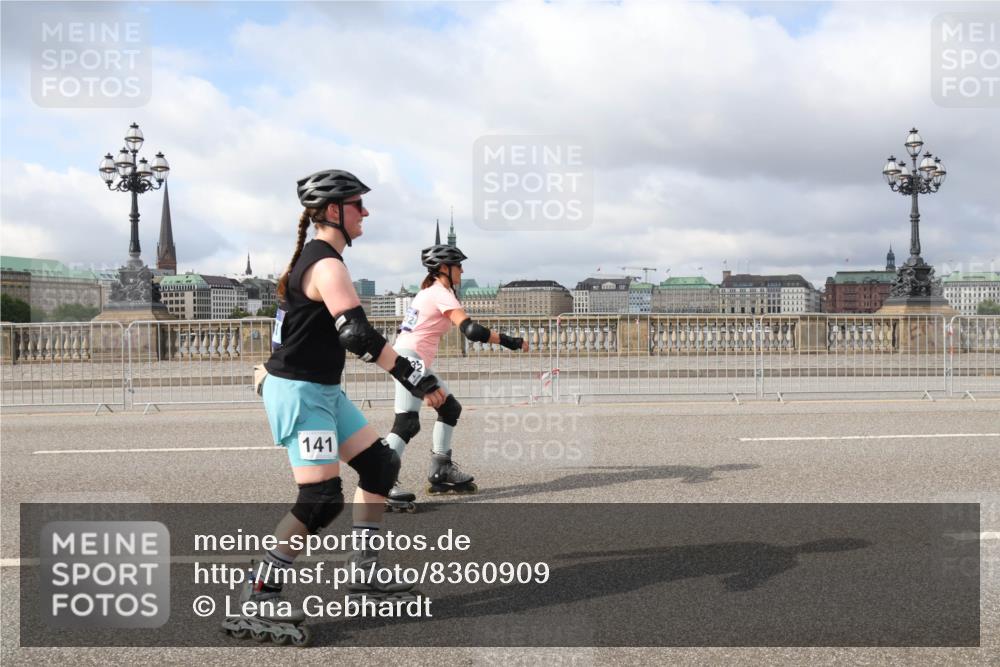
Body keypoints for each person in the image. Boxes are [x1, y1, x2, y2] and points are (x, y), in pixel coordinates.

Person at [223, 170, 446, 645]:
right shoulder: (326, 265)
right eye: (357, 204)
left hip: (320, 391)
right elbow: (357, 335)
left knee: (380, 466)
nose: (365, 212)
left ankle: (363, 575)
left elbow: (297, 331)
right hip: (303, 397)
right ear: (332, 212)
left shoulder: (316, 259)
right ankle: (257, 594)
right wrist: (416, 378)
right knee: (321, 500)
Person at [384, 222, 528, 511]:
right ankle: (381, 480)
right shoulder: (440, 292)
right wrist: (511, 341)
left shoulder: (429, 292)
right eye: (458, 266)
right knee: (406, 423)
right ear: (444, 268)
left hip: (410, 358)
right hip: (409, 359)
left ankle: (441, 469)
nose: (462, 271)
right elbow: (471, 330)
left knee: (450, 408)